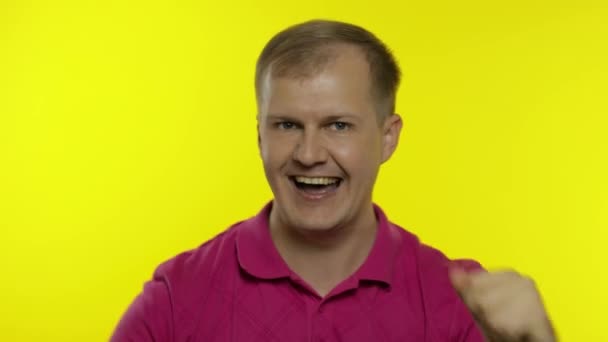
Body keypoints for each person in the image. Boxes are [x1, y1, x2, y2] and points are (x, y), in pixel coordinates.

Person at [111, 19, 556, 342]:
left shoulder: (464, 304)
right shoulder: (177, 295)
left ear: (387, 137)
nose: (308, 154)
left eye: (338, 126)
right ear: (259, 135)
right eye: (286, 125)